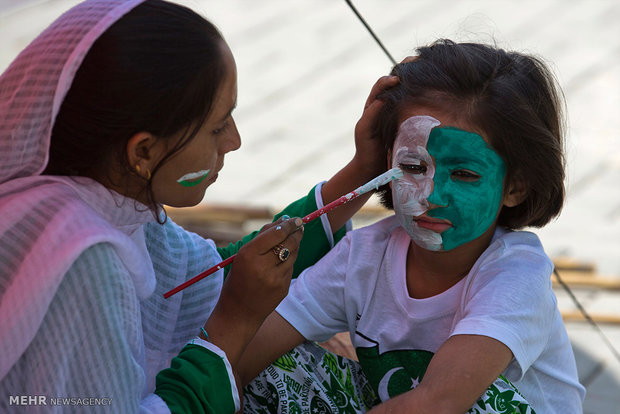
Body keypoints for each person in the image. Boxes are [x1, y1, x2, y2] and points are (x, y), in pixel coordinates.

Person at [0, 0, 395, 412]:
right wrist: (235, 323)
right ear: (145, 151)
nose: (235, 141)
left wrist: (361, 171)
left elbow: (210, 280)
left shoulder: (123, 207)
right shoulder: (84, 260)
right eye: (218, 126)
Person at [238, 39, 586, 413]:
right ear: (386, 163)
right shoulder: (364, 256)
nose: (431, 195)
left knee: (476, 396)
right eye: (413, 167)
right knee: (263, 367)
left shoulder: (517, 275)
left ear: (515, 187)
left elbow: (438, 403)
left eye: (465, 174)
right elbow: (247, 352)